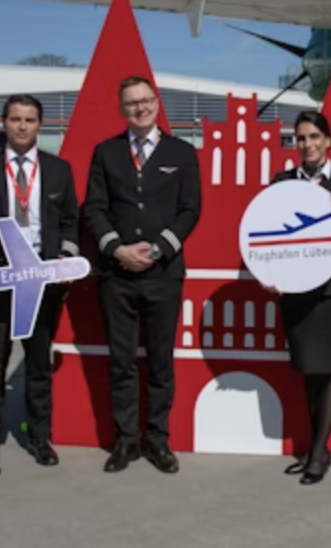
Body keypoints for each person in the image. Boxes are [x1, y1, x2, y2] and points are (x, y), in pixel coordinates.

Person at [0, 94, 80, 480]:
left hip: (41, 285)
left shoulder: (59, 169)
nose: (22, 126)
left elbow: (71, 222)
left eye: (29, 119)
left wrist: (65, 257)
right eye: (15, 119)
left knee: (38, 368)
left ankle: (40, 438)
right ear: (4, 123)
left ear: (40, 125)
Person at [83, 75, 201, 474]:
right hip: (116, 275)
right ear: (122, 108)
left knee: (161, 362)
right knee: (121, 362)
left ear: (157, 102)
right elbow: (94, 209)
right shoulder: (106, 152)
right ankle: (126, 442)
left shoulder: (182, 152)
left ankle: (158, 441)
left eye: (146, 100)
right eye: (132, 102)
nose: (140, 108)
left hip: (163, 274)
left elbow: (190, 210)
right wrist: (116, 249)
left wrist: (158, 248)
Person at [260, 111, 331, 485]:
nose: (308, 144)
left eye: (315, 136)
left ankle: (318, 452)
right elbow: (269, 235)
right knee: (307, 367)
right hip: (296, 292)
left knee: (327, 367)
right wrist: (268, 272)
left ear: (328, 140)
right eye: (301, 138)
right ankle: (314, 448)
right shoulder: (282, 183)